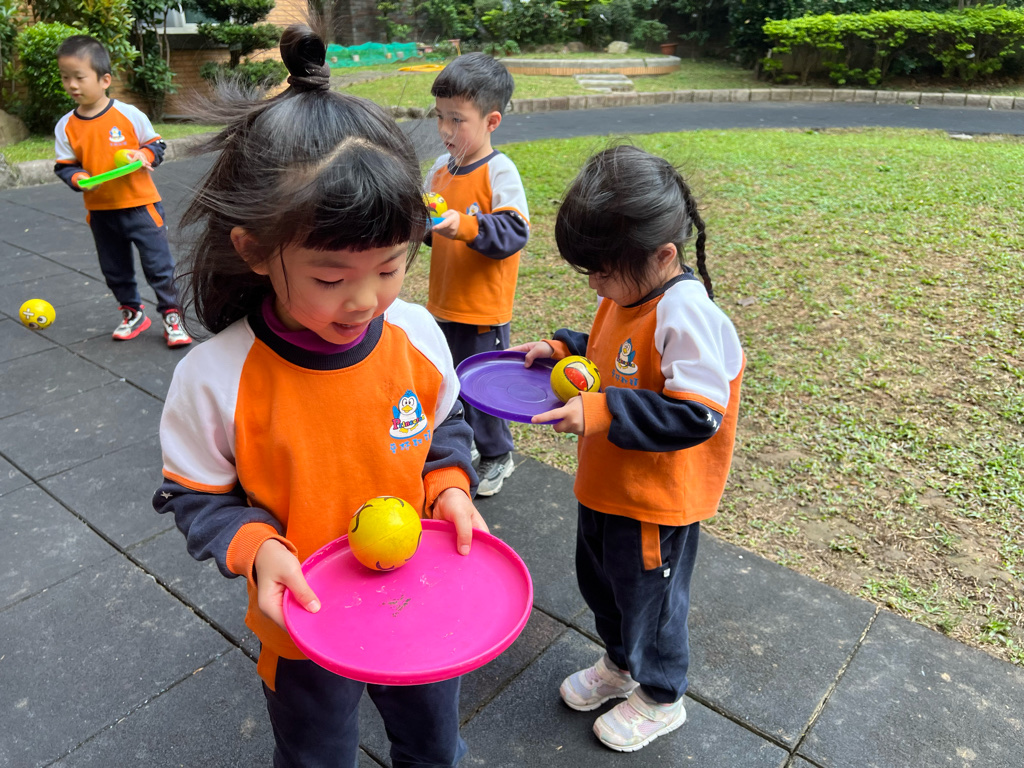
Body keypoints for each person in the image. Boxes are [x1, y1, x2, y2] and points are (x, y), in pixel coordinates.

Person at [152, 25, 487, 768]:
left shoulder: (417, 335)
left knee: (434, 745)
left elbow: (444, 430)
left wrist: (450, 487)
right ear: (254, 249)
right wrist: (258, 548)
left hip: (417, 596)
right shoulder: (216, 378)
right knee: (315, 755)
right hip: (301, 621)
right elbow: (196, 496)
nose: (365, 300)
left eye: (390, 268)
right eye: (330, 278)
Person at [511, 145, 745, 753]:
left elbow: (697, 413)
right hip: (607, 485)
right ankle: (619, 665)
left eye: (603, 271)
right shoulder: (626, 292)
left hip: (652, 501)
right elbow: (613, 355)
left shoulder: (686, 313)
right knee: (604, 585)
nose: (595, 283)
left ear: (663, 255)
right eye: (588, 271)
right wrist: (565, 349)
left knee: (652, 603)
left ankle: (662, 695)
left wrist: (602, 410)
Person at [425, 52, 530, 496]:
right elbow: (431, 230)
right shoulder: (439, 170)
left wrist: (465, 226)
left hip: (482, 309)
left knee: (482, 389)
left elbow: (514, 231)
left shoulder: (498, 171)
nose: (446, 130)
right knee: (448, 382)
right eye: (440, 117)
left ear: (491, 121)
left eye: (457, 119)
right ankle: (463, 442)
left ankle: (497, 454)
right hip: (443, 303)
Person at [53, 35, 191, 347]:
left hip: (141, 206)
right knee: (114, 269)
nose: (72, 85)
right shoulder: (66, 126)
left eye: (79, 77)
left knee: (159, 265)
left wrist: (143, 155)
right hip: (101, 211)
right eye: (65, 77)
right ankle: (133, 313)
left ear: (104, 80)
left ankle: (172, 314)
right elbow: (65, 165)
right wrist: (80, 178)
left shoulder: (128, 114)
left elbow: (156, 145)